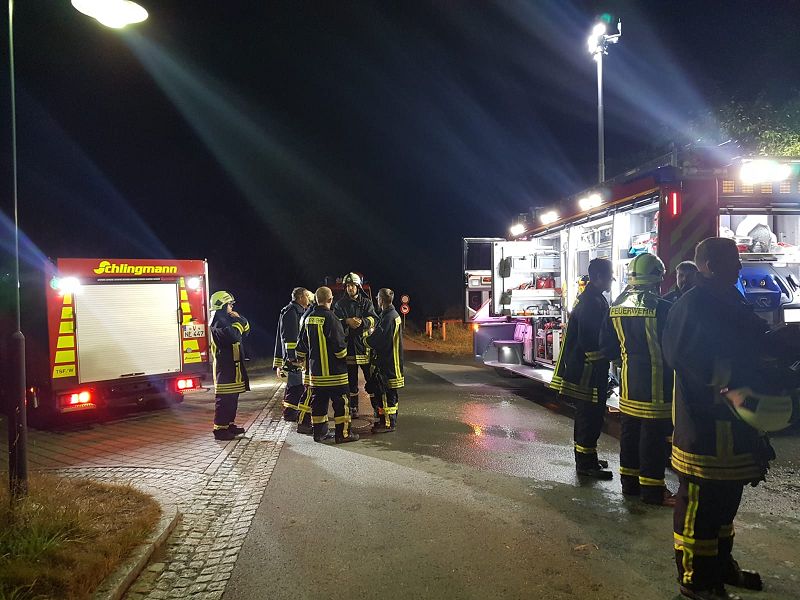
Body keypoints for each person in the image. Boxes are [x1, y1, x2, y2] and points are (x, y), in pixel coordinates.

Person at [662, 237, 798, 600]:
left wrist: (786, 340)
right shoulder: (693, 305)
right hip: (705, 425)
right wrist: (729, 387)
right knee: (699, 506)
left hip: (734, 423)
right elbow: (685, 359)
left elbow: (752, 343)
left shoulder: (727, 298)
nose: (738, 267)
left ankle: (720, 567)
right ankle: (695, 581)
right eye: (730, 261)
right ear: (707, 265)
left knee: (725, 503)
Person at [600, 253, 675, 506]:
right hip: (658, 386)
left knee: (630, 433)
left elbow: (607, 347)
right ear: (657, 278)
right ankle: (653, 491)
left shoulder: (616, 306)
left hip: (629, 384)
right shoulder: (663, 308)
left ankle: (630, 484)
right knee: (653, 437)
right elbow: (675, 348)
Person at [550, 258, 614, 479]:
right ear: (598, 277)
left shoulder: (593, 298)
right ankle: (586, 465)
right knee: (590, 417)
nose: (611, 280)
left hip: (587, 368)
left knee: (590, 416)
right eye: (609, 276)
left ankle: (589, 457)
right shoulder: (591, 303)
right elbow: (590, 340)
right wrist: (605, 360)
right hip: (588, 371)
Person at [296, 286, 359, 444]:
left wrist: (302, 361)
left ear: (316, 300)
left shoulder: (308, 318)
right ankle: (343, 434)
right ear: (330, 300)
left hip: (316, 375)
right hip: (335, 373)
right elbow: (339, 347)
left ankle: (319, 433)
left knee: (318, 404)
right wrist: (344, 357)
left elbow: (301, 346)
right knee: (342, 403)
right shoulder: (332, 318)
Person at [333, 272, 378, 419]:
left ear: (358, 287)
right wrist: (347, 321)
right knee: (351, 382)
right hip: (349, 347)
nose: (350, 288)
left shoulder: (366, 302)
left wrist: (362, 322)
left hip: (365, 347)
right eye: (348, 286)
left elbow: (374, 319)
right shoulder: (340, 304)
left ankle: (376, 407)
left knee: (371, 380)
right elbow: (335, 322)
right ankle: (353, 408)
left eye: (352, 285)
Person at [209, 291, 250, 441]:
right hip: (225, 368)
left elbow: (246, 330)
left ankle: (229, 425)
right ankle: (220, 430)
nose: (231, 306)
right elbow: (234, 336)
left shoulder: (226, 320)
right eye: (229, 304)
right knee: (224, 399)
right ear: (222, 305)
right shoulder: (218, 322)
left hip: (233, 366)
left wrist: (239, 319)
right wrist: (239, 321)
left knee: (232, 398)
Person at [365, 288, 404, 433]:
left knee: (386, 393)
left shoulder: (388, 317)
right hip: (392, 361)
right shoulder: (391, 315)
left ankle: (388, 423)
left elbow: (378, 339)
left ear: (380, 300)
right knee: (389, 393)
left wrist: (365, 340)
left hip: (388, 362)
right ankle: (387, 420)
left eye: (377, 298)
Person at [276, 287, 311, 422]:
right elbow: (290, 337)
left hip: (296, 356)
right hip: (294, 358)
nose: (309, 299)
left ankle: (292, 411)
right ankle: (290, 413)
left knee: (296, 385)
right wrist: (293, 357)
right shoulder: (291, 312)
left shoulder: (296, 310)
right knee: (295, 386)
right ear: (301, 297)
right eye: (307, 296)